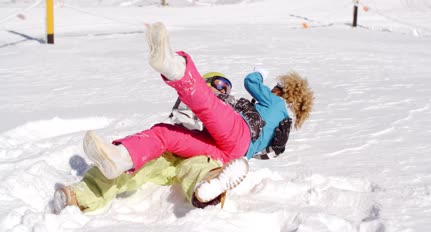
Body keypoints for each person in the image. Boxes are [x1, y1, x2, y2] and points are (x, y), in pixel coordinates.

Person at [82, 22, 314, 206]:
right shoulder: (282, 125)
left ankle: (172, 66)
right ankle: (123, 159)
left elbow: (251, 82)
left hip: (239, 132)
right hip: (230, 155)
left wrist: (259, 74)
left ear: (285, 91)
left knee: (205, 103)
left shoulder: (276, 101)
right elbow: (268, 152)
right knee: (167, 134)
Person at [53, 72, 237, 214]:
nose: (223, 90)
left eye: (227, 88)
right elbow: (186, 111)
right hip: (170, 152)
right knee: (130, 170)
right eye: (219, 83)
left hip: (200, 156)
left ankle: (208, 191)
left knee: (199, 167)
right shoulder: (193, 100)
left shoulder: (228, 114)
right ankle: (80, 195)